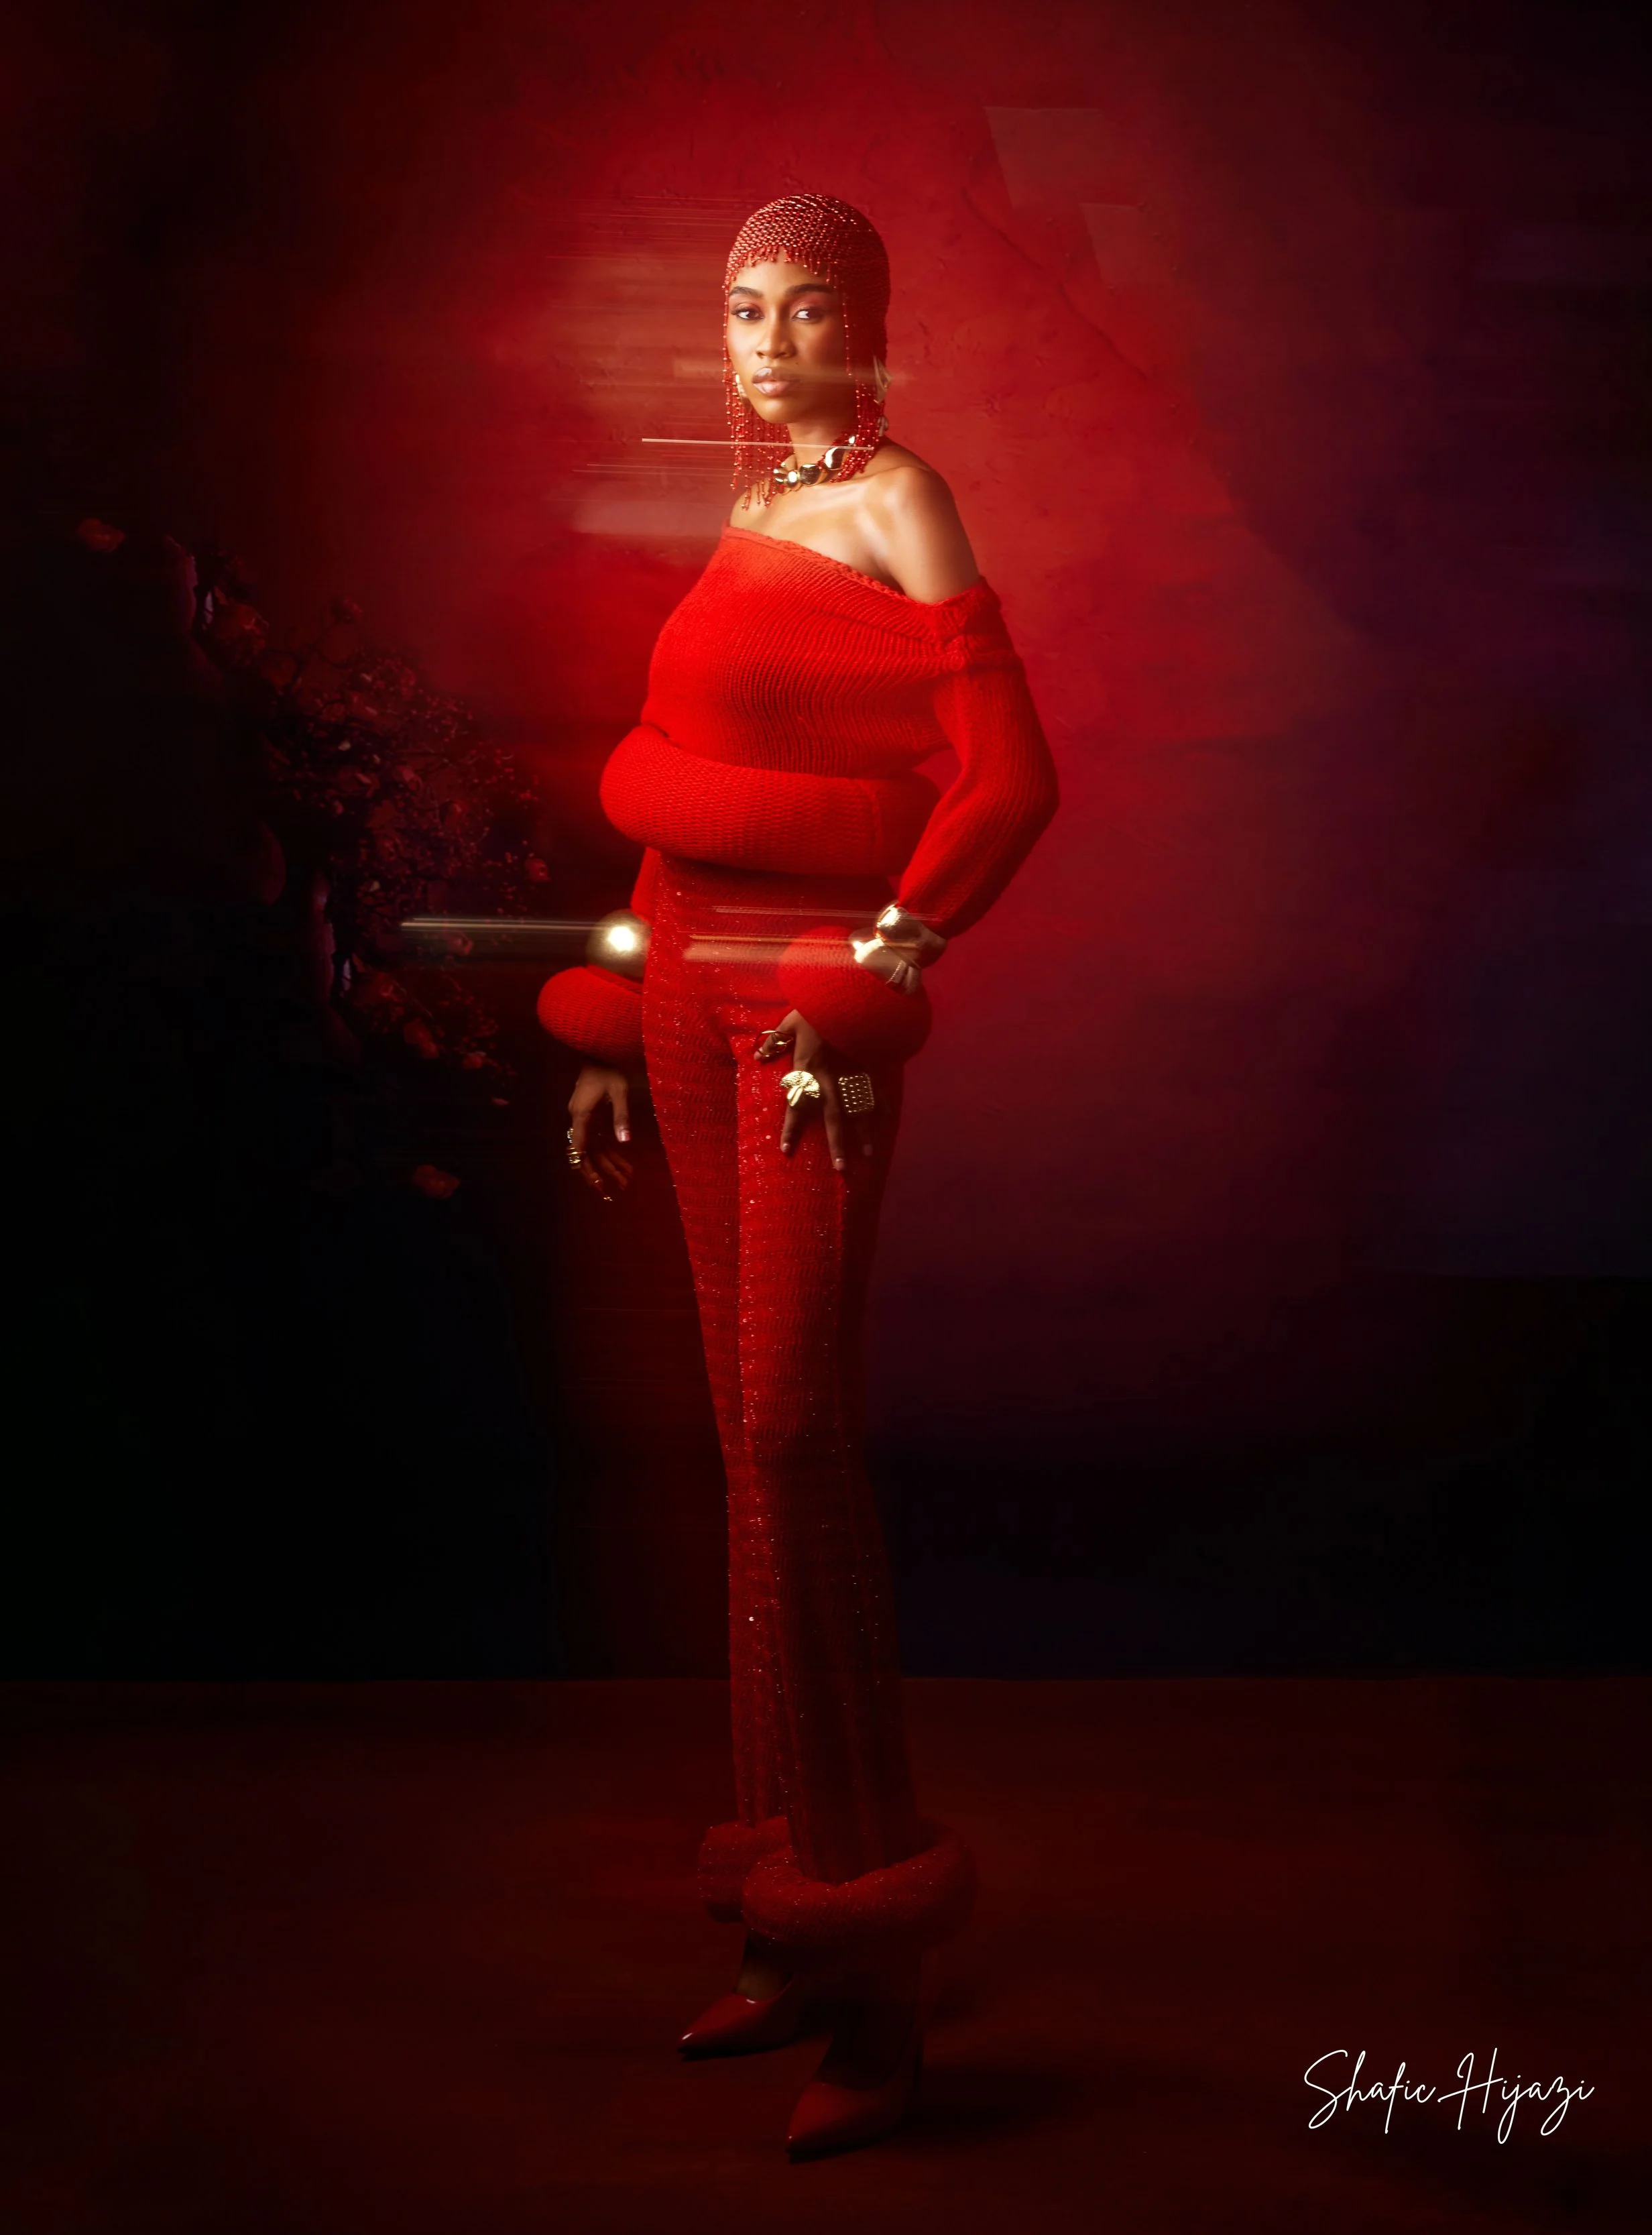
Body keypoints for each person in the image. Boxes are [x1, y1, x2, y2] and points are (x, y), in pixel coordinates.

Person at [536, 192, 1058, 2159]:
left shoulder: (900, 503)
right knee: (737, 1457)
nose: (765, 342)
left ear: (872, 328)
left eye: (806, 308)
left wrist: (885, 964)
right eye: (742, 309)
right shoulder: (756, 511)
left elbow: (1011, 778)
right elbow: (687, 777)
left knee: (793, 1429)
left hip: (800, 1022)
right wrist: (607, 1024)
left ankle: (881, 1971)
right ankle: (779, 1915)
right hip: (677, 997)